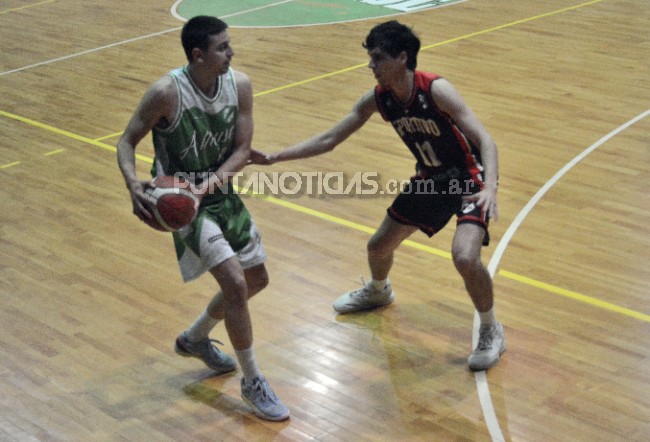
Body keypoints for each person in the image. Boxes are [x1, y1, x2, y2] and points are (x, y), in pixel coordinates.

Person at [250, 20, 505, 371]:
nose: (370, 65)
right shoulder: (380, 99)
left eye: (377, 58)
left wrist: (490, 185)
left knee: (464, 256)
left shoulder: (436, 90)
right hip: (431, 180)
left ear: (402, 58)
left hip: (468, 180)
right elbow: (330, 139)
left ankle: (491, 329)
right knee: (378, 247)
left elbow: (485, 140)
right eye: (370, 58)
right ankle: (378, 290)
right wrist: (277, 156)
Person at [116, 16, 289, 420]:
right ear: (198, 55)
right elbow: (126, 141)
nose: (232, 52)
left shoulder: (239, 85)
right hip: (184, 203)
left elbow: (241, 150)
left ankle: (194, 338)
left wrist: (207, 187)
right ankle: (252, 381)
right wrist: (132, 183)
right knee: (233, 283)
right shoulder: (165, 92)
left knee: (255, 280)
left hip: (217, 192)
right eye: (223, 47)